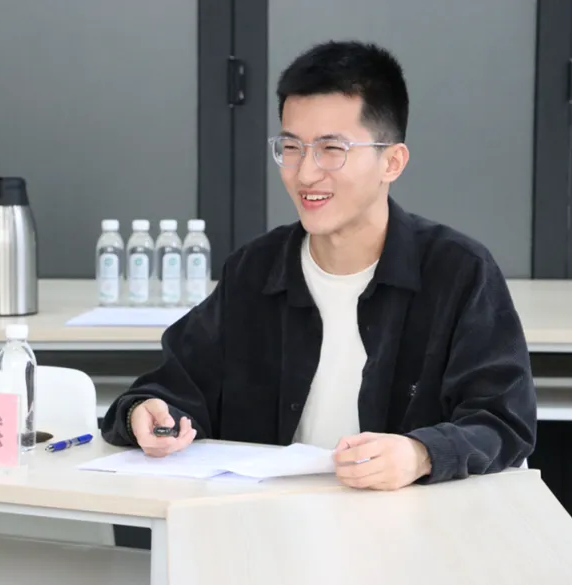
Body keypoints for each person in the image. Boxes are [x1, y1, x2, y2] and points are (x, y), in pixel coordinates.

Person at [101, 40, 536, 490]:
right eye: (291, 147)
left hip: (404, 520)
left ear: (392, 161)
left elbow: (503, 421)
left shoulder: (458, 272)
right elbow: (174, 387)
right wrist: (145, 412)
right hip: (264, 517)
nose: (305, 173)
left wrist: (421, 454)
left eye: (331, 149)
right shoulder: (255, 269)